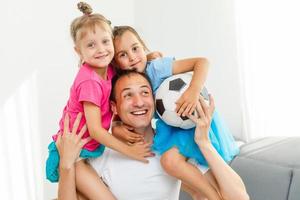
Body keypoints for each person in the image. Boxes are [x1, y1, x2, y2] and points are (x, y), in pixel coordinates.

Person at [56, 70, 249, 200]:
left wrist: (204, 142)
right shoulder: (102, 154)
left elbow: (240, 197)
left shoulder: (173, 154)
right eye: (128, 95)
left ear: (156, 100)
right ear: (114, 107)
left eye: (145, 93)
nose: (139, 102)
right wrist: (66, 165)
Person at [111, 26, 240, 199]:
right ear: (116, 63)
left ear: (143, 46)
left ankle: (214, 196)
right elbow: (114, 113)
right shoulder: (122, 83)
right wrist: (116, 127)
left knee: (169, 162)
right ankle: (206, 195)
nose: (132, 57)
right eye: (123, 54)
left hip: (190, 120)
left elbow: (202, 62)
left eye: (135, 49)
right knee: (178, 174)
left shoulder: (156, 68)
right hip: (172, 126)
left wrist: (194, 90)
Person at [45, 3, 152, 200]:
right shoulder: (89, 81)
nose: (101, 50)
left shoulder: (107, 68)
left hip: (87, 152)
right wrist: (129, 151)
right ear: (79, 51)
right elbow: (95, 130)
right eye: (91, 45)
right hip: (74, 153)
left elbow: (128, 64)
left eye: (105, 42)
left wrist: (151, 56)